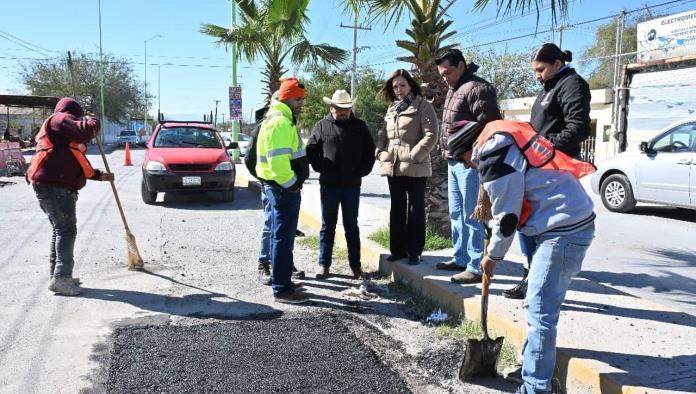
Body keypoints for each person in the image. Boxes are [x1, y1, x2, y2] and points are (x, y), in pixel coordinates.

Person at [449, 118, 595, 394]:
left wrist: (492, 258)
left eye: (463, 160)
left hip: (564, 230)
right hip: (564, 224)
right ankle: (532, 369)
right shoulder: (500, 142)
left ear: (469, 149)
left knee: (541, 309)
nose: (468, 166)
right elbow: (508, 204)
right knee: (537, 304)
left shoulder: (493, 155)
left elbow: (508, 218)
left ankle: (535, 387)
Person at [504, 43, 592, 300]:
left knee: (547, 227)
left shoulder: (573, 85)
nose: (537, 75)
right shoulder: (549, 87)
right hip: (536, 165)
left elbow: (578, 127)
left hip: (557, 166)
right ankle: (530, 275)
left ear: (557, 63)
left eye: (540, 69)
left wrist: (546, 147)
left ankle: (540, 280)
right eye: (534, 71)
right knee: (528, 222)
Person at [26, 97, 114, 296]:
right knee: (66, 230)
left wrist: (99, 176)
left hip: (50, 185)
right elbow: (86, 131)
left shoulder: (61, 134)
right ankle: (62, 278)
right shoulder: (59, 119)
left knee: (60, 230)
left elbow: (74, 159)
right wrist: (93, 121)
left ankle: (57, 275)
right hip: (54, 187)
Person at [434, 48, 501, 284]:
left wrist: (472, 155)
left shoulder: (477, 88)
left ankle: (474, 265)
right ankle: (461, 257)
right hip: (454, 161)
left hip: (469, 163)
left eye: (448, 72)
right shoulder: (456, 89)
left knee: (472, 215)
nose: (445, 78)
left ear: (461, 65)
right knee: (456, 213)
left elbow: (491, 126)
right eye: (442, 75)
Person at [306, 89, 375, 279]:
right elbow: (311, 149)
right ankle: (324, 265)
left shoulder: (360, 126)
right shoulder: (321, 126)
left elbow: (370, 151)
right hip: (329, 185)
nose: (344, 112)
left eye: (347, 108)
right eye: (340, 109)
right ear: (332, 107)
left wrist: (362, 171)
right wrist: (321, 167)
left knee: (351, 226)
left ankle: (355, 266)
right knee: (328, 226)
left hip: (352, 185)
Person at [255, 77, 311, 304]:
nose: (301, 104)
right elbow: (278, 164)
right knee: (283, 238)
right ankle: (281, 289)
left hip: (279, 187)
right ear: (287, 97)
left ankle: (284, 281)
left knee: (284, 237)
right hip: (282, 188)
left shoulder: (281, 118)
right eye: (298, 99)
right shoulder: (279, 122)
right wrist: (293, 184)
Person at [376, 69, 438, 265]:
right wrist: (379, 152)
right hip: (393, 166)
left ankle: (414, 252)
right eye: (395, 87)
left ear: (410, 85)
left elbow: (431, 135)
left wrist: (413, 155)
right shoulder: (391, 109)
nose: (399, 89)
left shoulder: (423, 106)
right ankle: (397, 250)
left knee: (415, 208)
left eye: (402, 85)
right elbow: (383, 135)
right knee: (397, 208)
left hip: (415, 166)